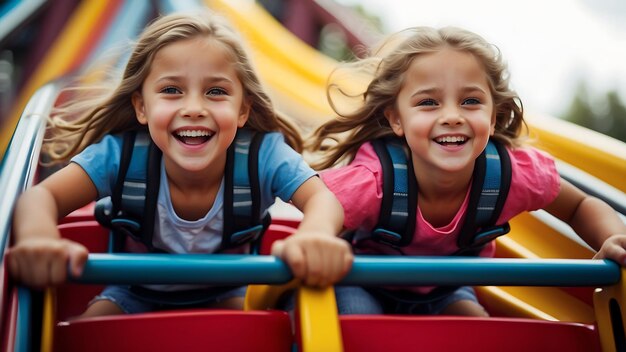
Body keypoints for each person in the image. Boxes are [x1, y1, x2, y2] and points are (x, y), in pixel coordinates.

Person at [7, 12, 353, 317]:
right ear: (141, 107)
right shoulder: (120, 156)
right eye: (172, 90)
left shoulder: (262, 156)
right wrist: (39, 238)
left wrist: (315, 236)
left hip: (228, 293)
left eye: (216, 92)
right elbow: (40, 198)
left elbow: (322, 199)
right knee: (79, 336)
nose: (193, 108)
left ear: (243, 110)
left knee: (266, 335)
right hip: (132, 293)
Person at [307, 26, 626, 316]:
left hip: (447, 290)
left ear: (493, 117)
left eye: (470, 101)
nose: (451, 116)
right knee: (358, 324)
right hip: (363, 281)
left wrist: (613, 237)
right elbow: (324, 205)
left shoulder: (510, 175)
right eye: (429, 103)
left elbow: (580, 206)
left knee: (480, 331)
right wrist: (317, 238)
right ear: (397, 120)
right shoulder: (378, 178)